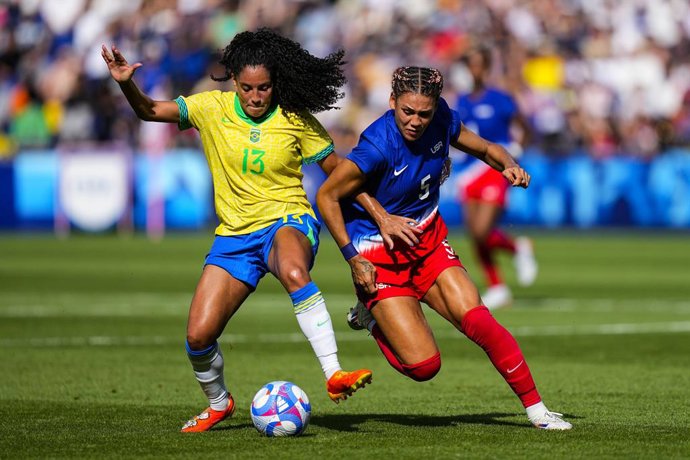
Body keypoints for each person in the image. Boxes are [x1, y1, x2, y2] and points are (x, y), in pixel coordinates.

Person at [101, 28, 373, 433]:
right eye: (247, 87)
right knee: (198, 337)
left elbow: (339, 174)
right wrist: (129, 86)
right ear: (234, 82)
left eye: (264, 87)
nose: (256, 96)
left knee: (295, 272)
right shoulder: (210, 108)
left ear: (275, 83)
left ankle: (334, 373)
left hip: (288, 220)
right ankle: (219, 402)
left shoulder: (295, 118)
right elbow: (150, 112)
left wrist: (379, 213)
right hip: (233, 237)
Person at [316, 66, 571, 430]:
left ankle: (537, 412)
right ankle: (369, 317)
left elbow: (484, 147)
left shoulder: (442, 120)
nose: (416, 121)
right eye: (407, 111)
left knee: (481, 321)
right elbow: (327, 196)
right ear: (392, 102)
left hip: (428, 243)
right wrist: (355, 255)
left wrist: (508, 165)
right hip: (378, 257)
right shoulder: (377, 145)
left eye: (424, 113)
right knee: (424, 367)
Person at [455, 47, 537, 309]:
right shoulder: (463, 102)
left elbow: (523, 125)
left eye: (480, 65)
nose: (475, 70)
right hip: (469, 171)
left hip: (495, 168)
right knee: (474, 234)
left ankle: (517, 248)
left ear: (486, 68)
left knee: (482, 229)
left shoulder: (500, 99)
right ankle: (497, 287)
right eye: (472, 65)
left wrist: (517, 149)